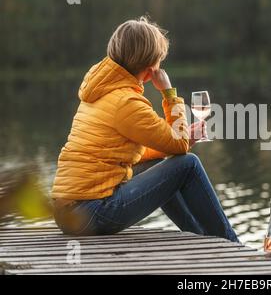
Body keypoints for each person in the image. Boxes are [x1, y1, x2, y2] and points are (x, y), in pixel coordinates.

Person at [51, 16, 239, 243]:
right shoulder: (127, 102)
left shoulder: (100, 90)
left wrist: (180, 142)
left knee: (155, 164)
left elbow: (143, 153)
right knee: (188, 164)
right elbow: (178, 145)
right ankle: (232, 243)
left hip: (69, 214)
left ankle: (201, 238)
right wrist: (168, 93)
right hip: (92, 214)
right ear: (151, 69)